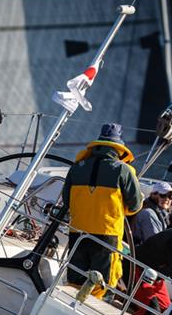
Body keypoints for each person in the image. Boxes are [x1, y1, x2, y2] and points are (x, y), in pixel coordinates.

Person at [61, 123, 143, 296]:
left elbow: (67, 201)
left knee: (75, 279)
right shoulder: (123, 170)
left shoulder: (76, 167)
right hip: (106, 235)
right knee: (102, 285)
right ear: (119, 148)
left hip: (78, 233)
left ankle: (67, 305)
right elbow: (135, 205)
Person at [132, 181, 172, 245]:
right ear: (153, 195)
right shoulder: (148, 214)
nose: (167, 199)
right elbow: (155, 244)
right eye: (163, 195)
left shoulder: (162, 214)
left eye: (170, 196)